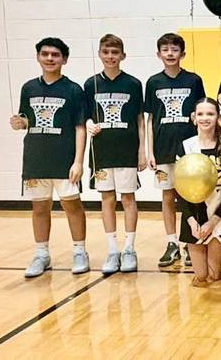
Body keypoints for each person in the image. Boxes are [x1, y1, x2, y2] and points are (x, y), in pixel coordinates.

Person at [11, 37, 89, 278]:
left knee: (72, 206)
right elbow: (27, 120)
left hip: (64, 160)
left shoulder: (74, 89)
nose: (50, 58)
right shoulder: (29, 88)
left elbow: (80, 127)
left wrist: (78, 161)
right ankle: (41, 254)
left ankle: (79, 251)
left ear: (64, 59)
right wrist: (19, 123)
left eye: (55, 55)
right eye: (45, 54)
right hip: (36, 159)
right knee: (39, 207)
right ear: (38, 57)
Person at [84, 34, 145, 274]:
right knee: (107, 199)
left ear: (123, 56)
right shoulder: (91, 84)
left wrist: (142, 150)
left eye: (115, 52)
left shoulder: (132, 83)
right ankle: (112, 250)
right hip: (102, 150)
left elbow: (140, 119)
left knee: (128, 199)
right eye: (106, 52)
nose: (110, 57)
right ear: (100, 54)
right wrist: (89, 123)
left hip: (127, 148)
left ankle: (129, 248)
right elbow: (86, 115)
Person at [145, 33, 205, 267]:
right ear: (159, 54)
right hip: (162, 148)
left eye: (174, 49)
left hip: (190, 148)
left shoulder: (193, 80)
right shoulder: (153, 82)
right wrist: (149, 152)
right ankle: (172, 243)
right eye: (165, 49)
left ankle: (192, 241)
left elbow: (202, 113)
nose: (170, 53)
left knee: (193, 197)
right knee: (168, 195)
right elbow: (149, 119)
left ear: (182, 54)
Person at [176, 98, 221, 286]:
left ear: (218, 117)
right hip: (193, 215)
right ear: (194, 118)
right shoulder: (186, 147)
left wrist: (214, 221)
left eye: (210, 114)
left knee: (214, 276)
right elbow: (179, 189)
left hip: (216, 214)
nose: (205, 118)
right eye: (201, 114)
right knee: (201, 277)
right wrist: (191, 220)